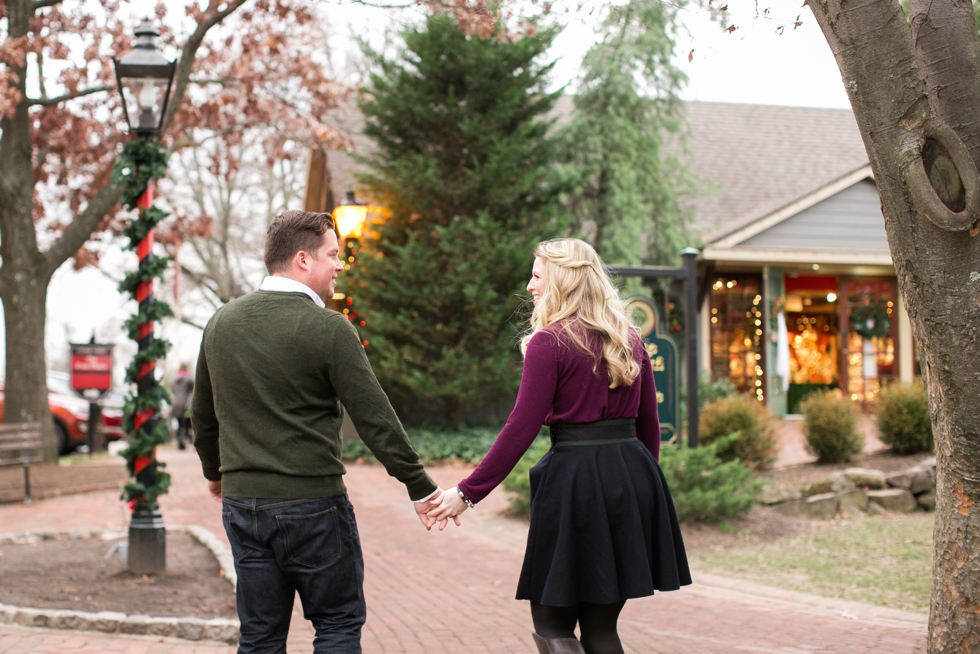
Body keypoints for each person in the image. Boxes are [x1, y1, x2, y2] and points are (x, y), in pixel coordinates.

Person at [191, 210, 445, 654]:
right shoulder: (329, 327)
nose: (340, 265)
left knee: (259, 637)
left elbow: (203, 416)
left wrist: (216, 472)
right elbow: (375, 418)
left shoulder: (222, 323)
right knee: (337, 626)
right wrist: (419, 487)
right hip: (313, 506)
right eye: (333, 255)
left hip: (243, 506)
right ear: (303, 260)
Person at [428, 238, 691, 654]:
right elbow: (649, 426)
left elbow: (521, 427)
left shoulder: (549, 343)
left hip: (575, 486)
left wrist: (467, 492)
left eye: (537, 276)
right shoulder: (629, 339)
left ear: (563, 282)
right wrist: (637, 490)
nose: (530, 287)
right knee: (603, 627)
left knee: (552, 624)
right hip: (633, 479)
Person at [170, 363, 194, 450]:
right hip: (186, 405)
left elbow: (174, 392)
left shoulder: (174, 380)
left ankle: (180, 443)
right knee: (189, 425)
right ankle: (189, 442)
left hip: (176, 405)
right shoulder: (189, 380)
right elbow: (192, 392)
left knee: (180, 425)